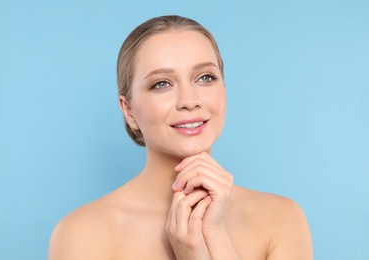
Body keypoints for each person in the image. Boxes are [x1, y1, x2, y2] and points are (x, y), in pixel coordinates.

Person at [48, 15, 312, 259]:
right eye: (161, 83)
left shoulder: (282, 220)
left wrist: (213, 240)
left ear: (224, 89)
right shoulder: (81, 234)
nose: (189, 101)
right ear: (128, 110)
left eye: (205, 77)